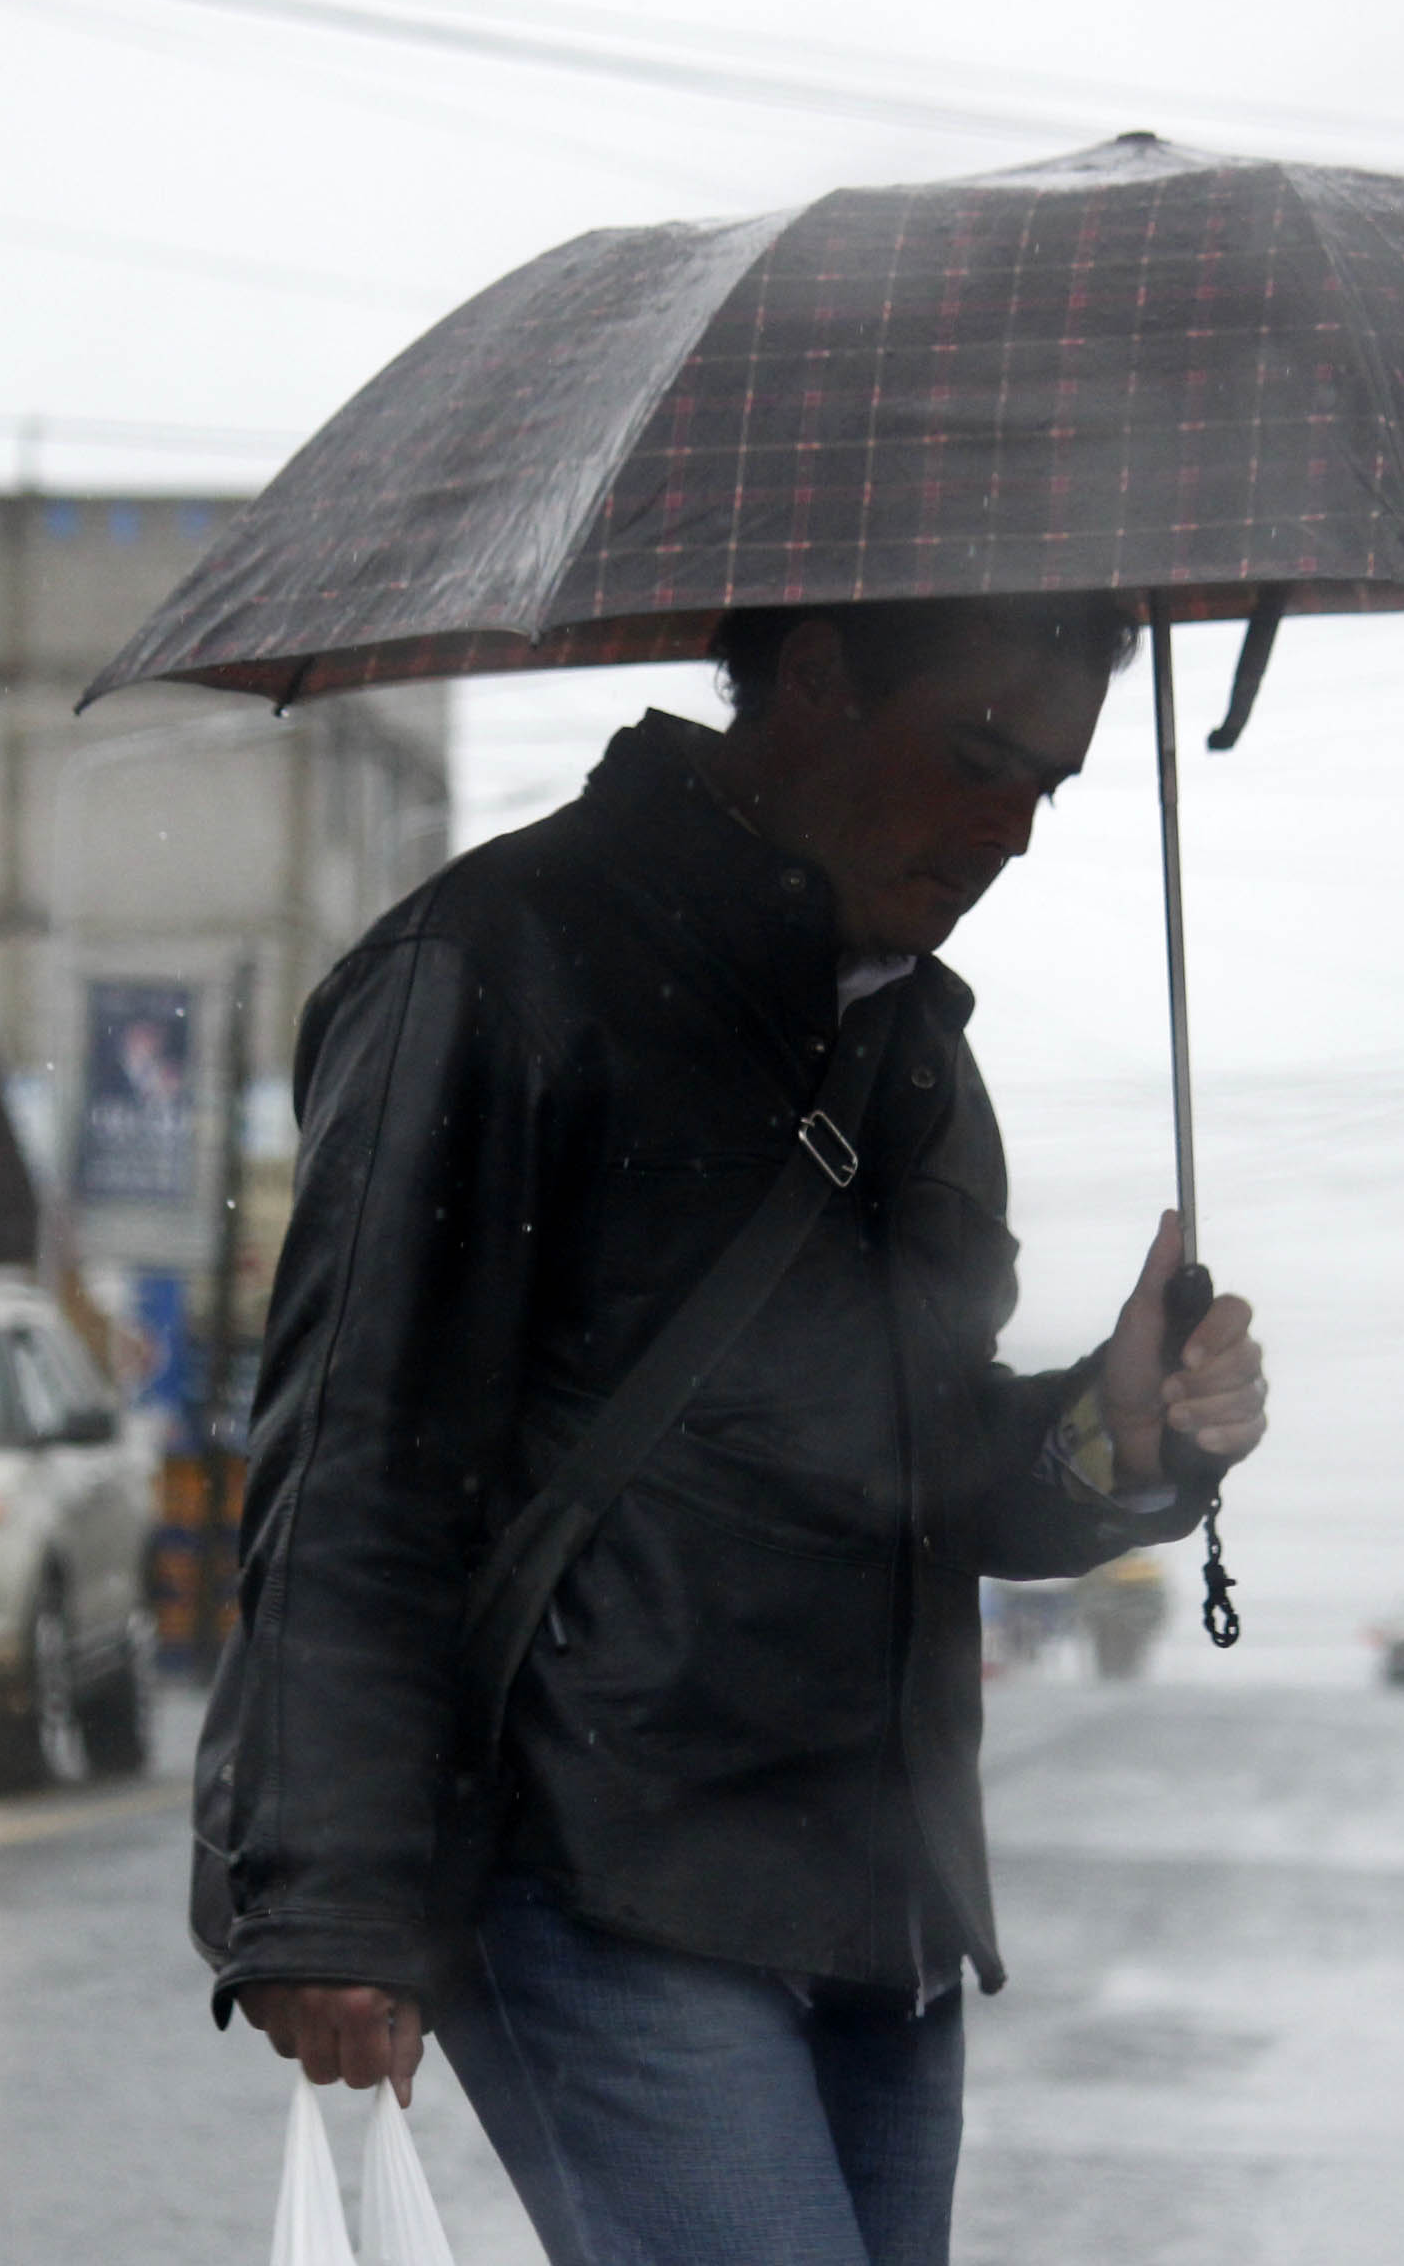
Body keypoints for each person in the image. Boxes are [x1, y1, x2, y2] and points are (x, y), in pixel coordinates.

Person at [194, 594, 1272, 2266]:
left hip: (879, 1890)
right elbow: (359, 1447)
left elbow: (919, 1464)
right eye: (980, 759)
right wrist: (324, 1889)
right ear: (825, 674)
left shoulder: (911, 1049)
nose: (1010, 834)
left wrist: (1118, 1436)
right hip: (602, 1863)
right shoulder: (492, 966)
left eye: (1048, 786)